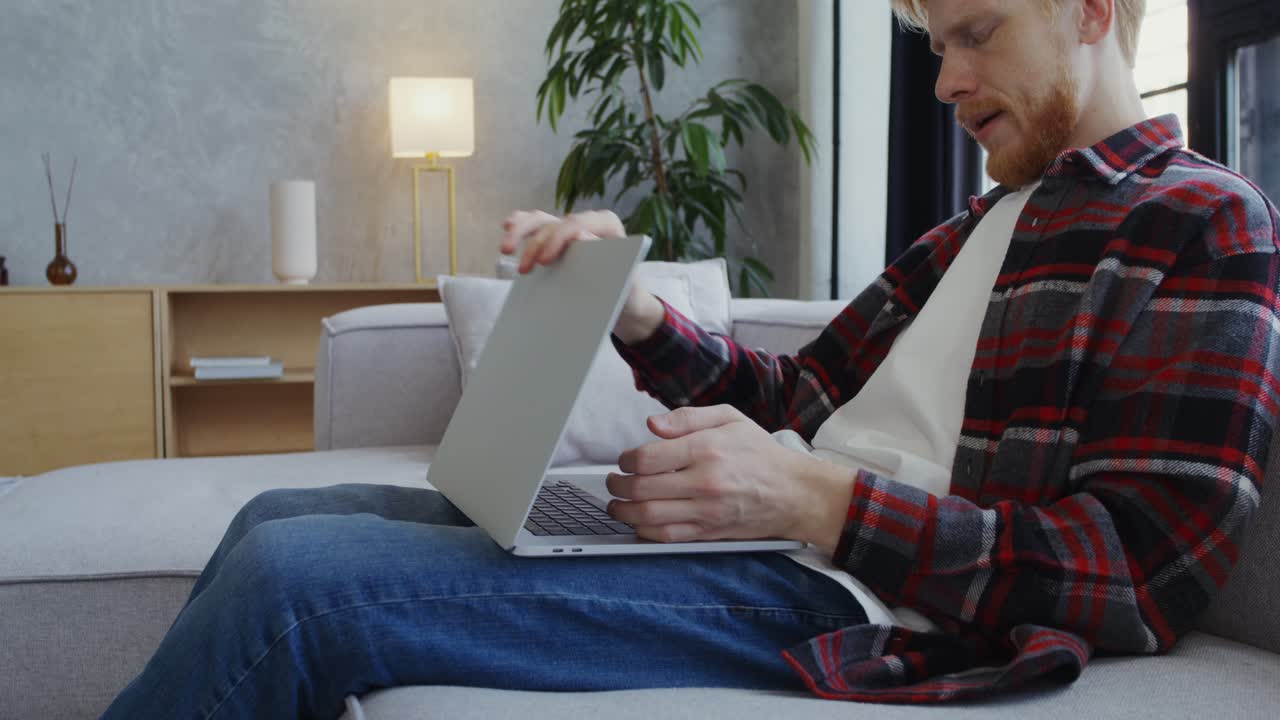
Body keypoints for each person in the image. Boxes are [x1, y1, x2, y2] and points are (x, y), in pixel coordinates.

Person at [102, 0, 1280, 716]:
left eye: (975, 35)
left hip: (863, 593)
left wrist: (818, 500)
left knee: (297, 592)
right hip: (781, 533)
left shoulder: (1199, 221)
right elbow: (794, 395)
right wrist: (638, 320)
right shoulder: (972, 228)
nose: (943, 80)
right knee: (272, 517)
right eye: (935, 43)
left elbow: (1141, 570)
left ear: (1089, 12)